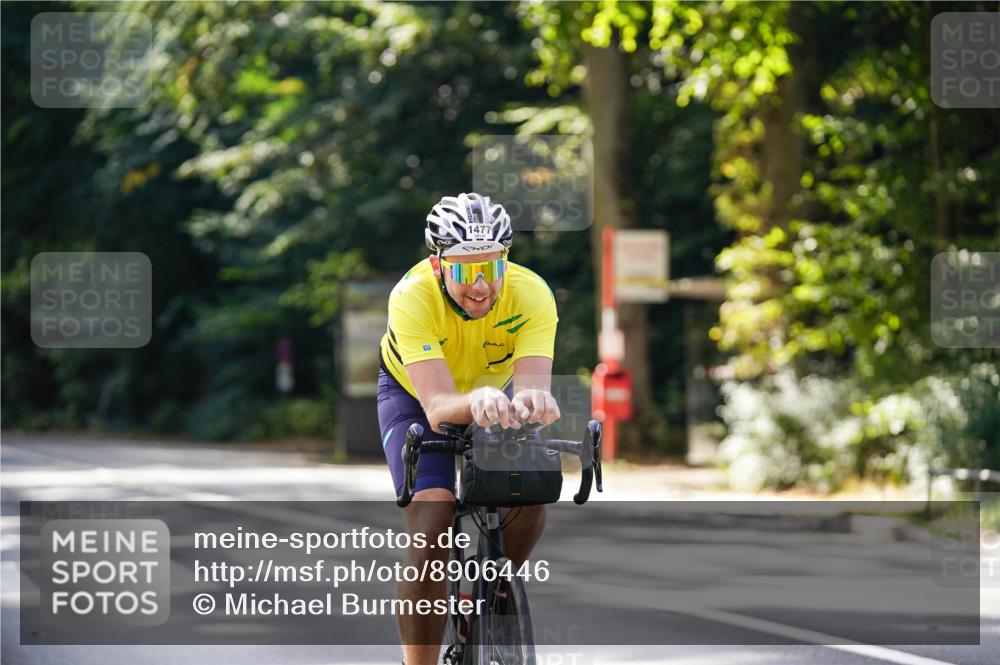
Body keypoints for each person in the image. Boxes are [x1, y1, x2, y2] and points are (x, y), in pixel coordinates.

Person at [377, 192, 561, 665]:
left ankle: (492, 595)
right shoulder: (412, 295)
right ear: (438, 266)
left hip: (491, 398)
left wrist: (535, 401)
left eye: (491, 268)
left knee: (530, 484)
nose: (480, 286)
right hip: (415, 397)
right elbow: (438, 407)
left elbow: (530, 388)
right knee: (433, 517)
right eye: (463, 271)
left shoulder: (533, 293)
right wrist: (477, 399)